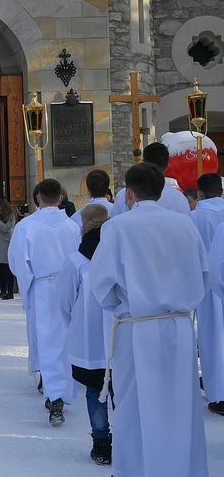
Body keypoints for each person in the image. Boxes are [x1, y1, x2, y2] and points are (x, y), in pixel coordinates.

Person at [91, 162, 209, 477]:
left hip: (136, 328)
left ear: (129, 193)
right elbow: (204, 276)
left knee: (134, 406)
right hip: (178, 328)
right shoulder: (185, 225)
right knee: (179, 403)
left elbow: (101, 284)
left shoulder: (116, 227)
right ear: (160, 192)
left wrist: (125, 307)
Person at [7, 178, 80, 426]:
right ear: (61, 198)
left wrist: (28, 290)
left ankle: (55, 394)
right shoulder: (73, 226)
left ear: (38, 198)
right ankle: (59, 389)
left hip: (42, 287)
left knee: (47, 340)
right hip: (68, 285)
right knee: (65, 339)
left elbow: (18, 263)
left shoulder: (27, 227)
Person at [55, 205, 114, 466]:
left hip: (89, 335)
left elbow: (65, 299)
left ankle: (101, 444)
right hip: (119, 332)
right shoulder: (118, 253)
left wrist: (76, 321)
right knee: (121, 388)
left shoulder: (76, 259)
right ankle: (128, 439)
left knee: (94, 388)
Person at [190, 173, 224, 415]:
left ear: (199, 194)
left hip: (207, 283)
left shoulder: (193, 217)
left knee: (212, 339)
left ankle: (218, 392)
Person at [112, 142, 190, 217]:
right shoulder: (179, 198)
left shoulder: (123, 195)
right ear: (167, 166)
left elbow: (115, 223)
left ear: (143, 162)